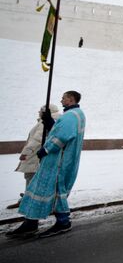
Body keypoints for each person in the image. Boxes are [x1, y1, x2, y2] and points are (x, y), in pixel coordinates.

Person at [7, 91, 86, 238]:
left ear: (70, 99)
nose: (61, 100)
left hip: (57, 162)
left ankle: (61, 222)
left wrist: (45, 149)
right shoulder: (76, 114)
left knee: (53, 191)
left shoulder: (71, 116)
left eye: (63, 98)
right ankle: (31, 223)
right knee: (42, 190)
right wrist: (50, 123)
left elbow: (62, 137)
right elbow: (59, 130)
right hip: (59, 161)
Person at [7, 104, 61, 210]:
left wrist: (26, 153)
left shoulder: (45, 122)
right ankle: (29, 199)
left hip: (35, 155)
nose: (38, 112)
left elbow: (37, 140)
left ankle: (28, 201)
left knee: (31, 177)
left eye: (40, 110)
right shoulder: (50, 121)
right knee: (33, 177)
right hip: (38, 154)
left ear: (46, 112)